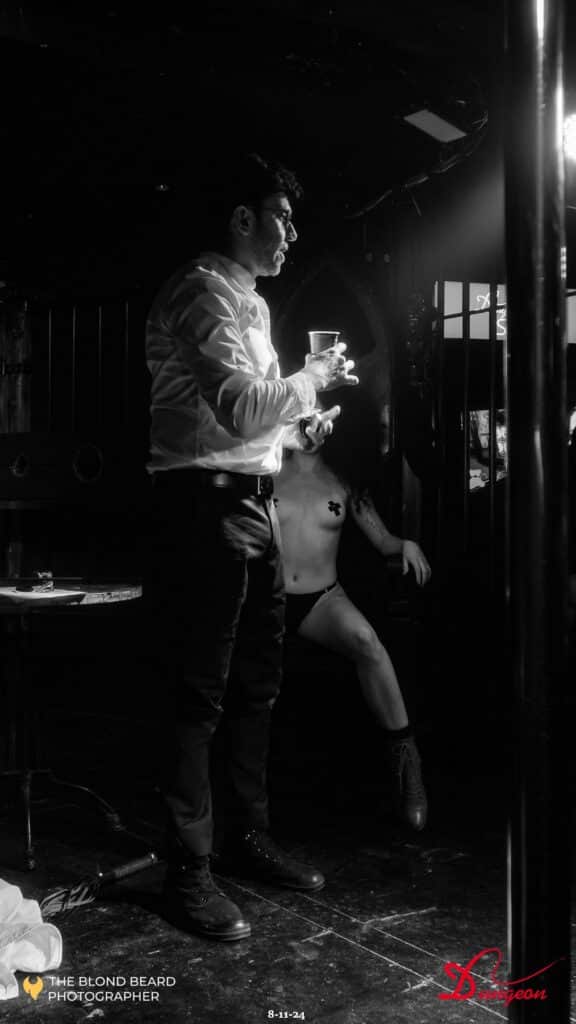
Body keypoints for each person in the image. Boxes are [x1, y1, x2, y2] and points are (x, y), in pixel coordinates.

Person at [145, 152, 359, 942]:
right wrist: (311, 380)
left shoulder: (252, 304)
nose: (293, 234)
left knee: (258, 684)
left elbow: (253, 426)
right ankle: (187, 868)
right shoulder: (200, 292)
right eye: (283, 217)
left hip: (252, 503)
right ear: (243, 218)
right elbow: (238, 408)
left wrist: (302, 426)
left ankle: (244, 837)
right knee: (201, 691)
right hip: (206, 506)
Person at [274, 428, 432, 831]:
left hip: (321, 598)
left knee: (368, 643)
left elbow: (383, 540)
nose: (312, 423)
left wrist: (405, 544)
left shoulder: (344, 481)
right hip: (266, 598)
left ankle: (407, 767)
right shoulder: (265, 467)